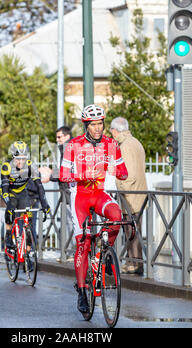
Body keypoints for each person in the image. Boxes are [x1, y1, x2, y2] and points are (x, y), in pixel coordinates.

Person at [59, 104, 128, 314]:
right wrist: (84, 174)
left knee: (116, 215)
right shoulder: (73, 145)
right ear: (86, 125)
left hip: (98, 193)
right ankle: (81, 291)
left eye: (100, 124)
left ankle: (104, 250)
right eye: (94, 124)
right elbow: (63, 175)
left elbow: (123, 173)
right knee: (83, 242)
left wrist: (112, 169)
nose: (98, 128)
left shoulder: (111, 143)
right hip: (80, 196)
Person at [110, 117, 147, 275]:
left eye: (111, 131)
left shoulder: (125, 146)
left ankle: (134, 264)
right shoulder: (136, 142)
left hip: (130, 195)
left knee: (131, 231)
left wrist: (121, 188)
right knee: (134, 230)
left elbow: (128, 174)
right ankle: (134, 262)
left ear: (115, 130)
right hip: (139, 192)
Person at [0, 141, 50, 257]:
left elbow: (39, 186)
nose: (21, 161)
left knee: (29, 222)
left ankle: (27, 254)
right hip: (10, 192)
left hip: (22, 192)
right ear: (13, 157)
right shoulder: (7, 166)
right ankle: (8, 234)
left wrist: (45, 203)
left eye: (23, 158)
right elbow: (5, 188)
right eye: (18, 159)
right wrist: (9, 205)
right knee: (10, 207)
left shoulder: (30, 166)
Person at [39, 126, 75, 260]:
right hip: (66, 192)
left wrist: (50, 174)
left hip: (69, 192)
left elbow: (67, 171)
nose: (57, 140)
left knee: (71, 223)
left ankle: (71, 252)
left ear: (67, 136)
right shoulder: (65, 148)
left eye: (59, 137)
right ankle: (69, 251)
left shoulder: (68, 148)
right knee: (68, 223)